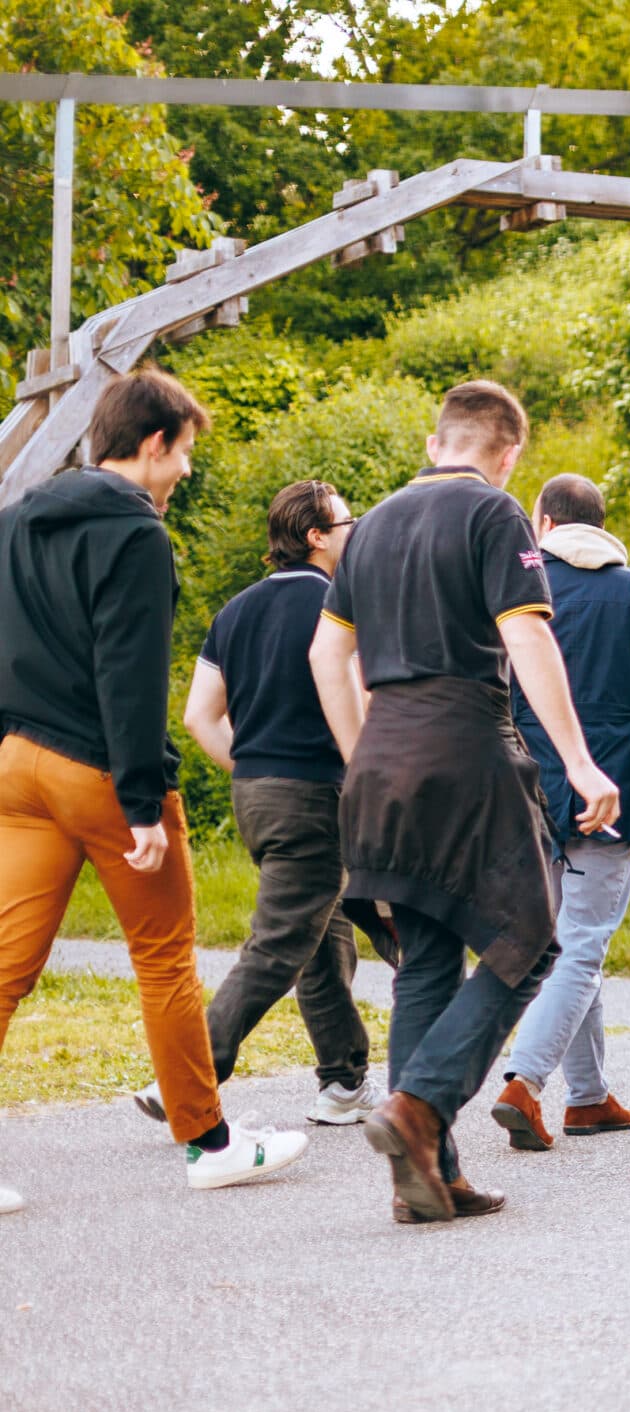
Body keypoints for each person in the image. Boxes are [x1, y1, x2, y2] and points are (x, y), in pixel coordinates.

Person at [310, 380, 621, 1225]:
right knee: (535, 943)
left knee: (430, 955)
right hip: (464, 748)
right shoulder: (495, 516)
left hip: (380, 765)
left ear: (434, 437)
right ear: (509, 451)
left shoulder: (367, 526)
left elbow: (324, 654)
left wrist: (359, 752)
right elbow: (526, 634)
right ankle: (419, 1108)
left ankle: (429, 1179)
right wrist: (582, 764)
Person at [0, 368, 307, 1211]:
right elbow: (127, 675)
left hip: (18, 765)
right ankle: (209, 1144)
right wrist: (141, 803)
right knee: (165, 962)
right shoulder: (136, 537)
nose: (187, 473)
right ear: (153, 443)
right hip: (100, 774)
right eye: (186, 455)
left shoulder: (16, 518)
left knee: (4, 969)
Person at [134, 480, 378, 1132]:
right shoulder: (340, 608)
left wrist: (251, 766)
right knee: (277, 946)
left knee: (322, 937)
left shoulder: (235, 612)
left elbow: (197, 716)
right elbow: (364, 701)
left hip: (257, 795)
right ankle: (185, 1075)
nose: (356, 532)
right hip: (316, 794)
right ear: (315, 535)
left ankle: (344, 1081)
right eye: (346, 522)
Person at [491, 474, 630, 1152]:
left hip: (521, 782)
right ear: (601, 524)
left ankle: (589, 1097)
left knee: (570, 942)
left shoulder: (518, 590)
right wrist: (623, 729)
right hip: (611, 783)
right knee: (580, 943)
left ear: (542, 522)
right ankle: (525, 1080)